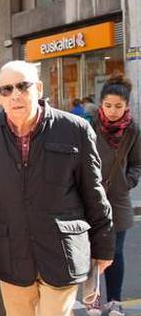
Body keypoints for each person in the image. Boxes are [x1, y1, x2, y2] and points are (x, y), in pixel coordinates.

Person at [0, 60, 114, 316]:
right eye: (6, 89)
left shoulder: (75, 130)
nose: (15, 95)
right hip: (10, 255)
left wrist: (104, 247)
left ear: (38, 88)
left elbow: (94, 194)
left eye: (22, 86)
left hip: (63, 252)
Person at [86, 76, 141, 316]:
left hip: (118, 200)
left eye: (118, 106)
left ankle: (115, 300)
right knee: (91, 252)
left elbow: (137, 164)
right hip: (89, 198)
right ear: (101, 105)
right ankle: (93, 300)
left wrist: (127, 182)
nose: (113, 111)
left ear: (127, 106)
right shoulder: (88, 125)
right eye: (108, 105)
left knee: (114, 252)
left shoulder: (133, 130)